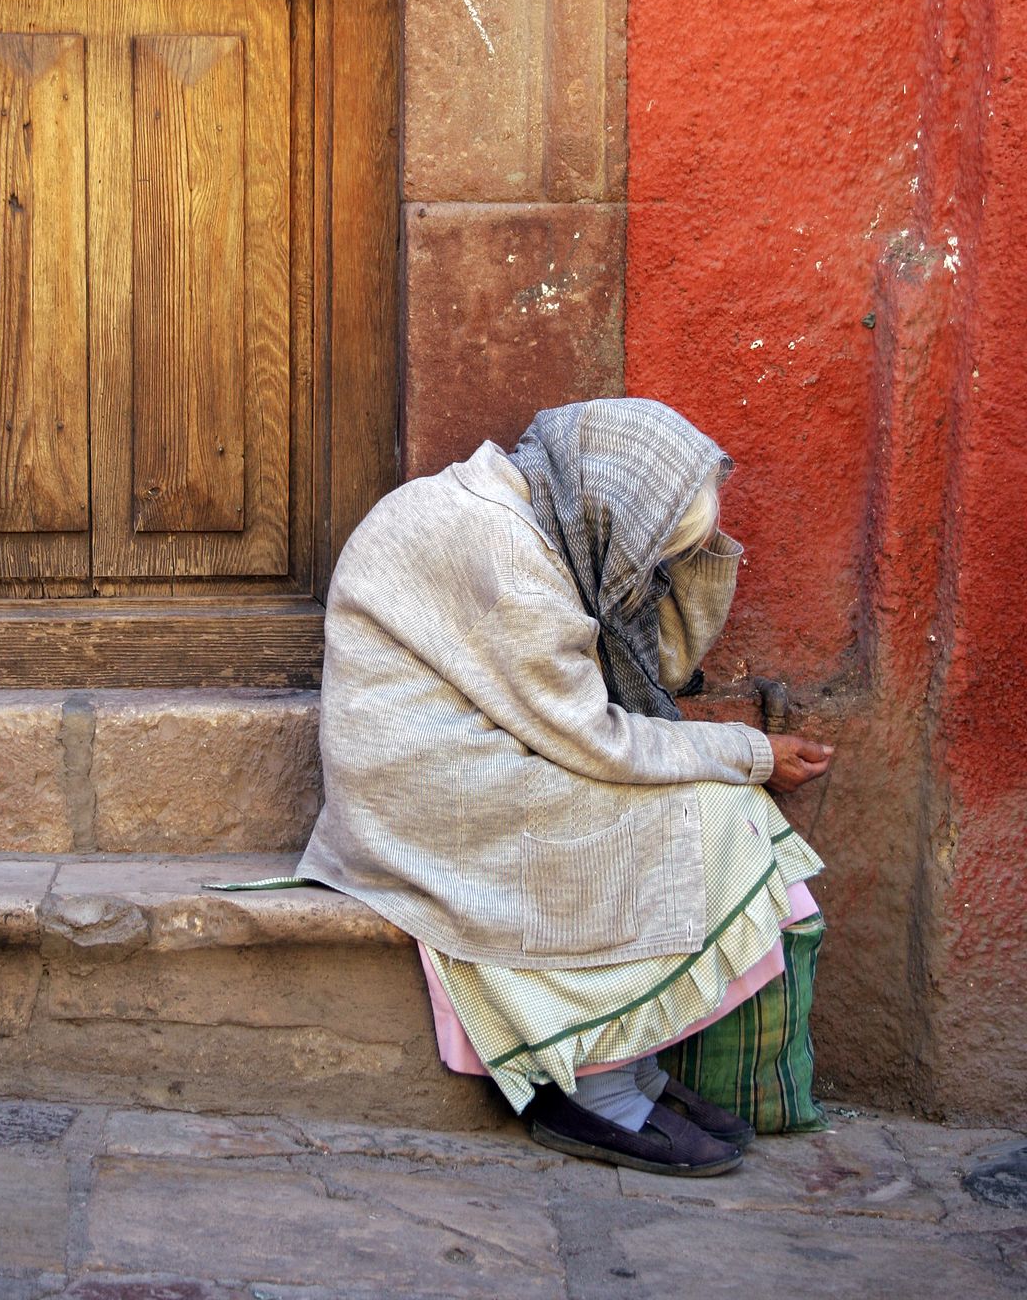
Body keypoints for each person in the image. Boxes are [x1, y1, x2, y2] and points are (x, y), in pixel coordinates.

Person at [297, 397, 832, 1176]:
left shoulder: (519, 509)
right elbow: (598, 739)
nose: (647, 578)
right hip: (429, 806)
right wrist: (747, 750)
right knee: (690, 817)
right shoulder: (507, 554)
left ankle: (634, 1064)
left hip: (468, 765)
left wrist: (696, 549)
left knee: (704, 805)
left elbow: (662, 663)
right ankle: (595, 1086)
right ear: (611, 505)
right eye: (651, 557)